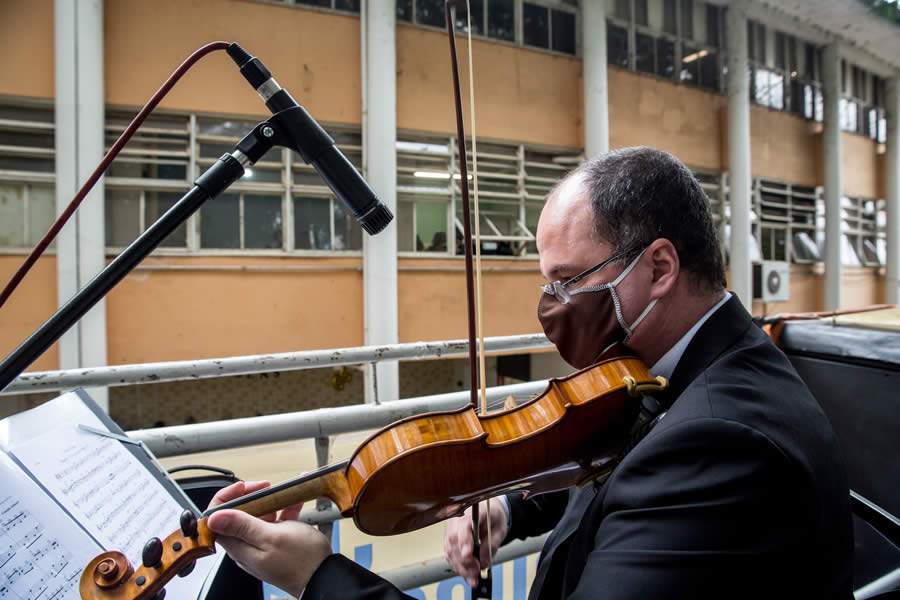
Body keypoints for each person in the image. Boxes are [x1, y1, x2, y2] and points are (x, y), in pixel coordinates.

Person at [205, 147, 853, 599]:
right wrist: (512, 510)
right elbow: (621, 473)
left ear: (659, 268)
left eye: (570, 281)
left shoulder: (719, 440)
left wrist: (318, 579)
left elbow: (660, 477)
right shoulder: (689, 366)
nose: (552, 307)